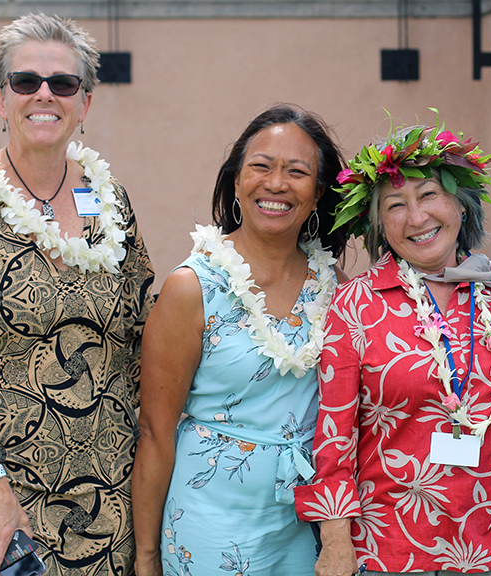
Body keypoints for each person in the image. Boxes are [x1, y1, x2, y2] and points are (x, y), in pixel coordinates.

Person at [0, 13, 154, 576]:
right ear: (1, 99)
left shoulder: (109, 201)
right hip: (0, 490)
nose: (45, 95)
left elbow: (144, 322)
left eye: (63, 83)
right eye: (26, 82)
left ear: (84, 104)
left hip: (106, 489)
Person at [295, 115, 491, 575]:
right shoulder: (355, 304)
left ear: (461, 206)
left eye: (428, 195)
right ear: (380, 225)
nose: (417, 217)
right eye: (396, 205)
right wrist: (336, 541)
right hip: (389, 551)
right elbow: (334, 436)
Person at [131, 104, 350, 576]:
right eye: (261, 166)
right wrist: (146, 556)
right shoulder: (192, 287)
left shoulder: (332, 285)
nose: (276, 184)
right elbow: (155, 431)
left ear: (317, 194)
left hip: (302, 518)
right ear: (235, 181)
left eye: (297, 172)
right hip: (210, 519)